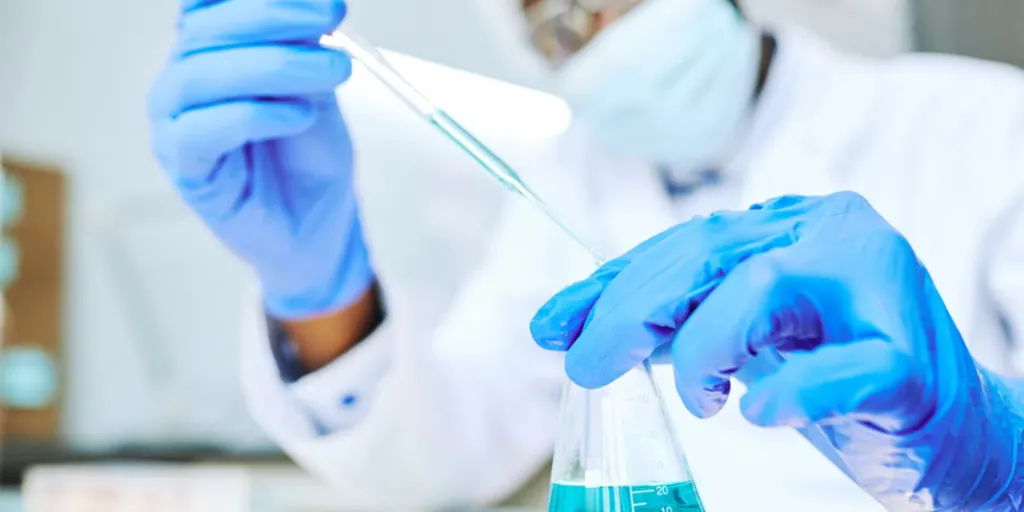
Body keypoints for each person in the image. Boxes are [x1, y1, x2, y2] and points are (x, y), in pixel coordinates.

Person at [147, 0, 1024, 508]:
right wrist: (316, 282)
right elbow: (444, 453)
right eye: (560, 21)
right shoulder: (571, 182)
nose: (601, 26)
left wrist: (997, 452)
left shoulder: (982, 123)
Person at [530, 191, 1024, 510]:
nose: (590, 32)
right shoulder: (570, 162)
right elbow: (472, 418)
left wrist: (1006, 453)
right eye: (556, 32)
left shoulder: (988, 119)